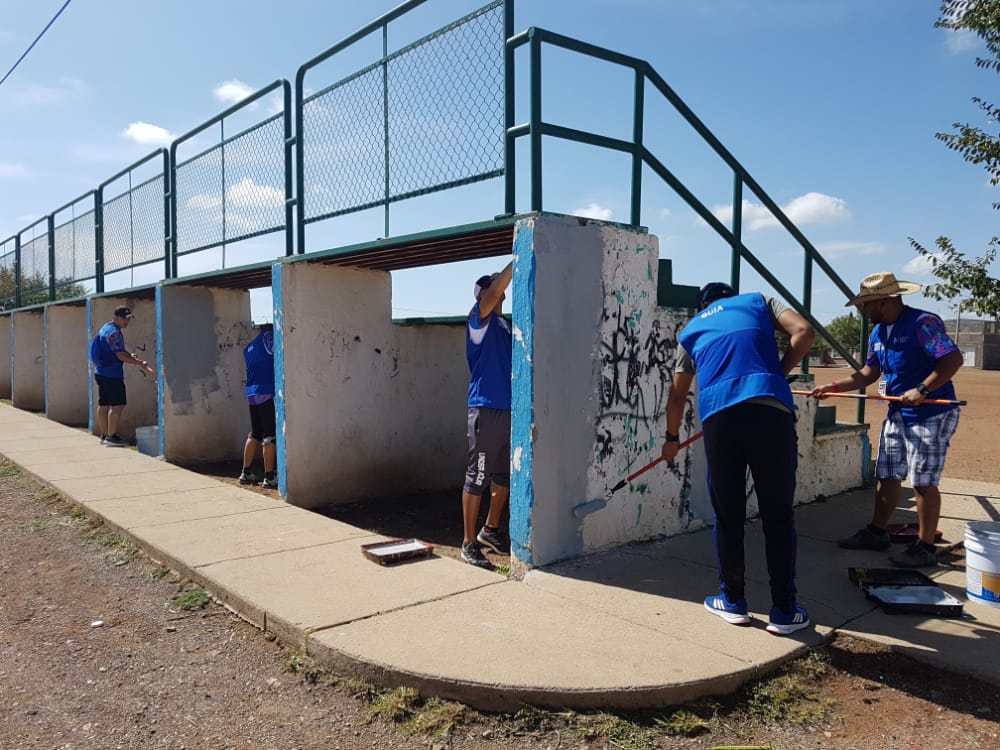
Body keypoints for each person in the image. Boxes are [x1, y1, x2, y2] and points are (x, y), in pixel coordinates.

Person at [662, 282, 816, 635]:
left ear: (703, 305)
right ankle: (784, 611)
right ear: (732, 298)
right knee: (777, 514)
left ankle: (733, 602)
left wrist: (671, 439)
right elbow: (804, 332)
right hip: (769, 411)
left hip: (720, 419)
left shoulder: (693, 328)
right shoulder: (758, 301)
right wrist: (778, 371)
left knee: (728, 515)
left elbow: (676, 397)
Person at [811, 272, 963, 568]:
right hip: (899, 414)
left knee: (923, 480)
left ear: (882, 302)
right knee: (888, 473)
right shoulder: (878, 334)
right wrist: (834, 388)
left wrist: (922, 389)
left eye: (866, 305)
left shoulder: (923, 323)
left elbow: (952, 359)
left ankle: (925, 547)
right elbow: (869, 373)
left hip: (932, 412)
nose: (864, 311)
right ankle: (877, 532)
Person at [459, 261, 513, 569]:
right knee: (477, 476)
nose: (499, 286)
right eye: (492, 285)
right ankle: (467, 542)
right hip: (485, 408)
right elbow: (494, 292)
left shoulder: (505, 326)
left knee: (503, 476)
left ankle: (489, 530)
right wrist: (514, 261)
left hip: (508, 410)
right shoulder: (478, 319)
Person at [91, 306, 154, 447]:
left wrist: (130, 356)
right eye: (125, 318)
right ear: (116, 318)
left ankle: (104, 435)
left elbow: (118, 350)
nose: (127, 321)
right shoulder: (115, 333)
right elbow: (119, 355)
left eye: (129, 318)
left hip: (101, 372)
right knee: (118, 405)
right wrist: (138, 362)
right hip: (112, 374)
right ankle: (112, 437)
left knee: (104, 404)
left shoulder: (106, 328)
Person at [240, 323, 278, 489]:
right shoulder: (268, 339)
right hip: (265, 390)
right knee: (269, 435)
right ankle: (269, 477)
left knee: (255, 432)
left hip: (251, 393)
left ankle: (245, 472)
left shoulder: (249, 347)